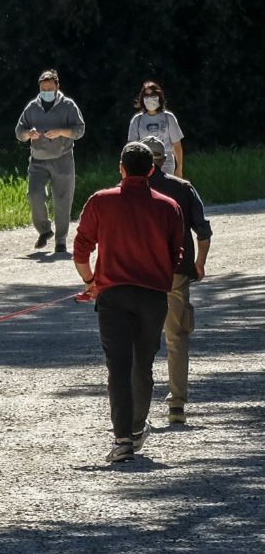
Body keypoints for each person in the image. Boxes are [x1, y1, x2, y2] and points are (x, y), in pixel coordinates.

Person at [73, 141, 183, 463]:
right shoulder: (168, 207)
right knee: (143, 364)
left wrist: (90, 282)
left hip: (113, 296)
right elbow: (177, 256)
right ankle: (136, 429)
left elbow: (81, 250)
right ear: (151, 170)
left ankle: (122, 439)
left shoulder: (100, 201)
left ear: (121, 168)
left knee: (118, 367)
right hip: (152, 297)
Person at [139, 135, 212, 425]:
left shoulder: (129, 190)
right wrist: (200, 263)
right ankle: (177, 404)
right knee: (176, 336)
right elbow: (203, 231)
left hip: (139, 273)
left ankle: (135, 409)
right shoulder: (182, 188)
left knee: (139, 339)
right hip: (176, 271)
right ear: (164, 159)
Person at [15, 68, 86, 253]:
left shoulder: (68, 106)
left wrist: (61, 131)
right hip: (38, 160)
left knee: (62, 200)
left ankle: (61, 240)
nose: (46, 92)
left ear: (57, 86)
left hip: (62, 159)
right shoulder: (32, 107)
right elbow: (19, 131)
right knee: (34, 195)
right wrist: (27, 134)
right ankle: (45, 230)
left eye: (49, 88)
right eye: (43, 89)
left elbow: (80, 130)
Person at [127, 81, 186, 178]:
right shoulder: (137, 120)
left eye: (153, 95)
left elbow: (177, 145)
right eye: (147, 96)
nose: (150, 99)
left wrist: (179, 168)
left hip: (166, 164)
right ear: (142, 99)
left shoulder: (168, 118)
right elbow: (131, 147)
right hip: (144, 163)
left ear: (159, 97)